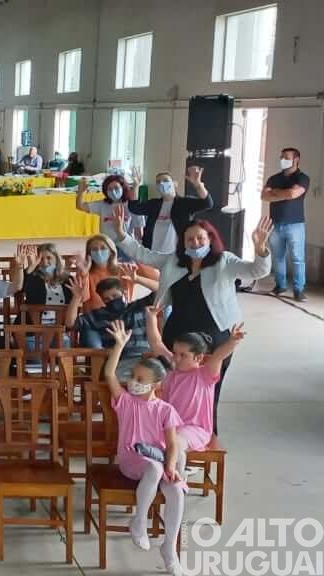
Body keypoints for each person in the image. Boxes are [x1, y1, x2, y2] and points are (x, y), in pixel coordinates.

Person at [113, 205, 272, 434]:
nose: (195, 243)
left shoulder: (224, 261)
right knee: (172, 386)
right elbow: (142, 254)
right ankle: (168, 433)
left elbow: (257, 271)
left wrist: (261, 248)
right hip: (177, 335)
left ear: (210, 239)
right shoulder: (173, 261)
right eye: (190, 239)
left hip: (214, 335)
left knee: (208, 388)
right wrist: (121, 234)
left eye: (200, 238)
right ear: (183, 242)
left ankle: (206, 432)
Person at [103, 320, 186, 575]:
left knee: (176, 491)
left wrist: (171, 466)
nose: (134, 382)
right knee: (153, 467)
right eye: (133, 377)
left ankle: (169, 550)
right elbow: (109, 374)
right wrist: (119, 346)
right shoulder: (125, 402)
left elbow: (172, 443)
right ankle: (139, 521)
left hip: (159, 461)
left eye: (141, 379)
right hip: (132, 459)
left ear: (156, 385)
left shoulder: (165, 410)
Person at [146, 311, 246, 456]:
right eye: (175, 353)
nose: (176, 358)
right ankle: (169, 472)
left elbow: (219, 356)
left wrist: (232, 341)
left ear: (198, 357)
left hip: (194, 429)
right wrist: (151, 318)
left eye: (183, 355)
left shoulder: (205, 374)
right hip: (168, 425)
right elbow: (156, 343)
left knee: (175, 444)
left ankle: (174, 475)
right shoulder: (171, 369)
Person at [65, 275, 152, 382]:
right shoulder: (98, 315)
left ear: (123, 292)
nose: (112, 300)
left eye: (115, 296)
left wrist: (138, 279)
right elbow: (70, 323)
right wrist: (76, 298)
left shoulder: (137, 307)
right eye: (107, 299)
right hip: (119, 361)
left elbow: (163, 291)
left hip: (143, 359)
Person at [261, 147, 310, 301]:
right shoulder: (273, 178)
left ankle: (298, 289)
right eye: (281, 157)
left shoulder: (302, 178)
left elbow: (293, 193)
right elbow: (264, 196)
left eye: (286, 157)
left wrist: (275, 193)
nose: (283, 160)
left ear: (296, 160)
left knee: (297, 258)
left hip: (295, 225)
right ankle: (280, 286)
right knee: (278, 257)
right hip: (275, 224)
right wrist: (285, 194)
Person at [128, 168, 213, 254]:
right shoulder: (154, 204)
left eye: (165, 180)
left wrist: (198, 185)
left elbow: (207, 203)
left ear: (175, 184)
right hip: (152, 254)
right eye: (158, 182)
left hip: (175, 256)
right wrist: (135, 185)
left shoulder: (184, 203)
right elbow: (134, 208)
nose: (161, 183)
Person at [77, 175, 145, 241]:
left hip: (125, 246)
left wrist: (136, 187)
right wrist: (80, 192)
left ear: (123, 188)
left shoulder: (130, 205)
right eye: (110, 189)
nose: (113, 191)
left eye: (116, 188)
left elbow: (139, 234)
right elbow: (80, 206)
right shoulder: (102, 204)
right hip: (107, 245)